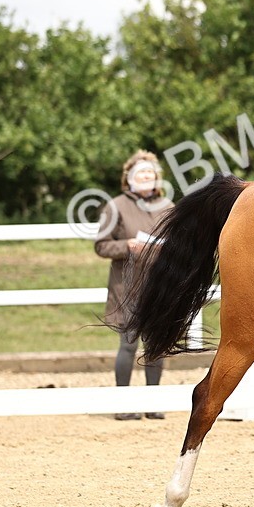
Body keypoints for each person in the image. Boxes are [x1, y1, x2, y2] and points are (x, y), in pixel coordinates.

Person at [94, 150, 174, 420]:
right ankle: (123, 404)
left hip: (158, 287)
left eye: (150, 172)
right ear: (129, 178)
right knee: (128, 345)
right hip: (126, 288)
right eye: (141, 173)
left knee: (156, 347)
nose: (147, 177)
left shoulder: (167, 206)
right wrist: (128, 246)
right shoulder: (115, 206)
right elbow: (102, 246)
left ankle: (152, 402)